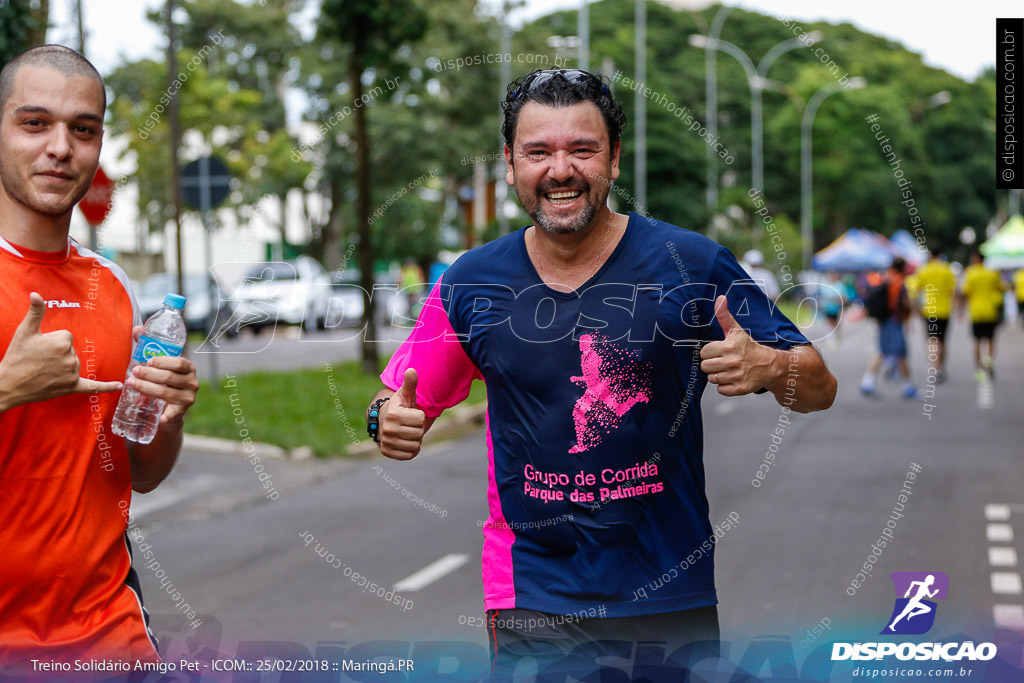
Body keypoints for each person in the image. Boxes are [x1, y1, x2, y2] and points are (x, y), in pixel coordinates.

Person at [365, 68, 836, 679]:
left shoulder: (690, 263)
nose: (560, 169)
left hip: (670, 590)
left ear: (613, 160)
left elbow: (818, 388)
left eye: (581, 149)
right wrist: (386, 422)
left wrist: (772, 365)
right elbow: (398, 401)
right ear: (510, 165)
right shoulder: (471, 282)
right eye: (538, 152)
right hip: (531, 596)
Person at [0, 46, 199, 668]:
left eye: (82, 129)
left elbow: (141, 473)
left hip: (111, 636)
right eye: (34, 123)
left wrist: (167, 416)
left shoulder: (112, 287)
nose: (60, 147)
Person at [859, 257, 921, 399]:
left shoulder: (886, 278)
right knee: (901, 353)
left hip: (884, 320)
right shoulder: (899, 281)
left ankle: (867, 382)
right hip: (894, 321)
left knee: (883, 351)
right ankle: (907, 387)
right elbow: (903, 303)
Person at [960, 252, 1007, 380]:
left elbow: (965, 292)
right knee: (991, 340)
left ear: (976, 259)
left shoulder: (970, 273)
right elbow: (1002, 288)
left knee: (977, 341)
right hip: (990, 311)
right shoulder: (992, 273)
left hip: (976, 312)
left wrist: (960, 310)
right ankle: (989, 363)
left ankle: (978, 368)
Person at [913, 247, 956, 382]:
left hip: (929, 311)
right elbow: (953, 291)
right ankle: (940, 367)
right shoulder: (947, 270)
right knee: (942, 341)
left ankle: (935, 368)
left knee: (932, 340)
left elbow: (915, 291)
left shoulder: (923, 270)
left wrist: (916, 309)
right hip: (945, 310)